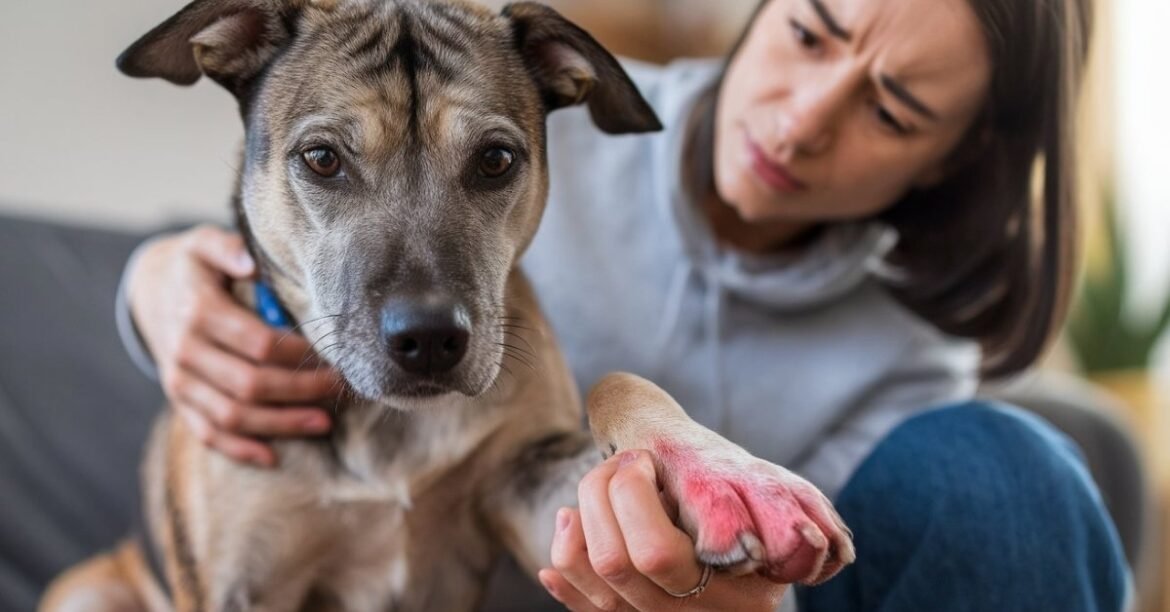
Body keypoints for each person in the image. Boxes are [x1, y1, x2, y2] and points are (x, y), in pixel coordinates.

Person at [119, 0, 1129, 610]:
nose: (802, 120)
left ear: (958, 157)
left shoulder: (915, 343)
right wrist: (151, 285)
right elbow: (262, 236)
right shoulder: (563, 113)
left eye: (891, 109)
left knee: (1015, 466)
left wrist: (726, 568)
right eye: (813, 32)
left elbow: (808, 584)